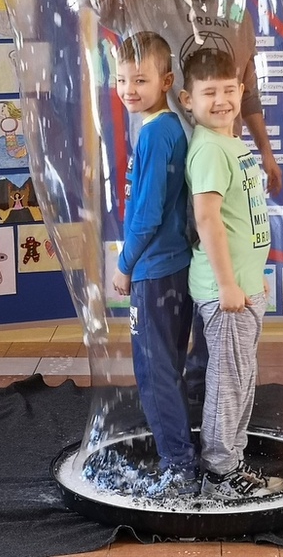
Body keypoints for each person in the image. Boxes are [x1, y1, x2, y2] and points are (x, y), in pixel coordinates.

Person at [82, 0, 283, 408]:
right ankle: (171, 399)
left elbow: (248, 90)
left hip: (222, 172)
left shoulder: (237, 13)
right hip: (171, 175)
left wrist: (266, 153)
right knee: (173, 289)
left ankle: (200, 391)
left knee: (217, 282)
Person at [179, 48, 283, 500]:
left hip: (243, 288)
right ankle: (220, 473)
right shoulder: (207, 149)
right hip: (226, 292)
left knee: (241, 378)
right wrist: (226, 283)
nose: (221, 100)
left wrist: (249, 278)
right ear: (188, 99)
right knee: (228, 382)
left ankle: (233, 461)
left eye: (228, 90)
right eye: (209, 93)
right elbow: (208, 220)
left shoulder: (232, 144)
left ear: (242, 91)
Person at [109, 31, 199, 497]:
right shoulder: (166, 128)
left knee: (154, 372)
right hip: (174, 268)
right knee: (169, 367)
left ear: (166, 81)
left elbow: (146, 215)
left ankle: (179, 468)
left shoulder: (155, 133)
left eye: (140, 80)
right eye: (122, 79)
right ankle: (182, 453)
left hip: (154, 272)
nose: (129, 89)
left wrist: (124, 264)